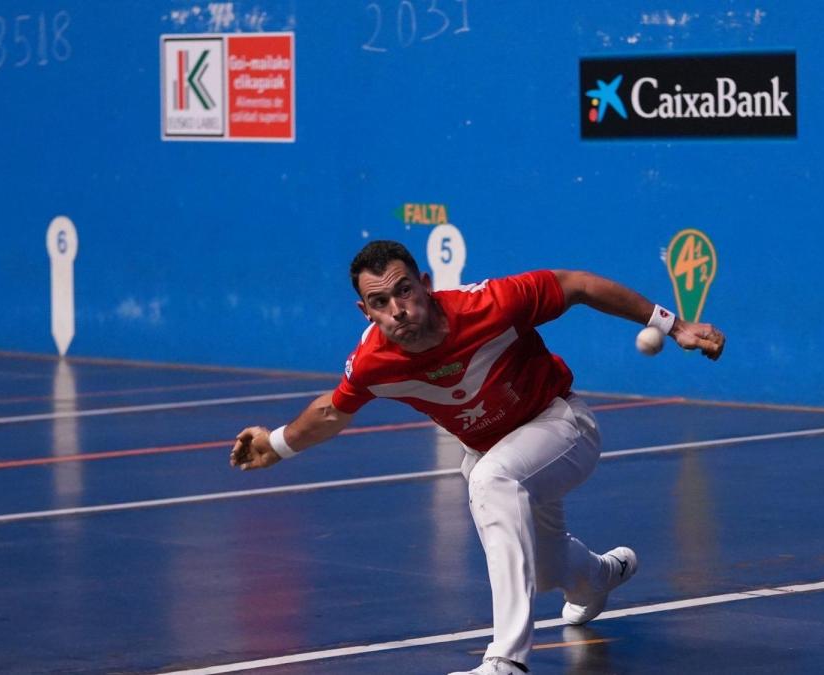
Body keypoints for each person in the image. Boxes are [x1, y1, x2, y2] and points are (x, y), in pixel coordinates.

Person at [230, 240, 726, 675]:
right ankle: (599, 576)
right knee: (548, 565)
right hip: (502, 452)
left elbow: (575, 285)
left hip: (562, 428)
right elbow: (333, 411)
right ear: (366, 312)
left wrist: (673, 323)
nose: (397, 309)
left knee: (489, 479)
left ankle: (506, 660)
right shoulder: (373, 363)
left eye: (404, 291)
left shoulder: (491, 304)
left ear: (425, 284)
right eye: (380, 302)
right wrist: (274, 445)